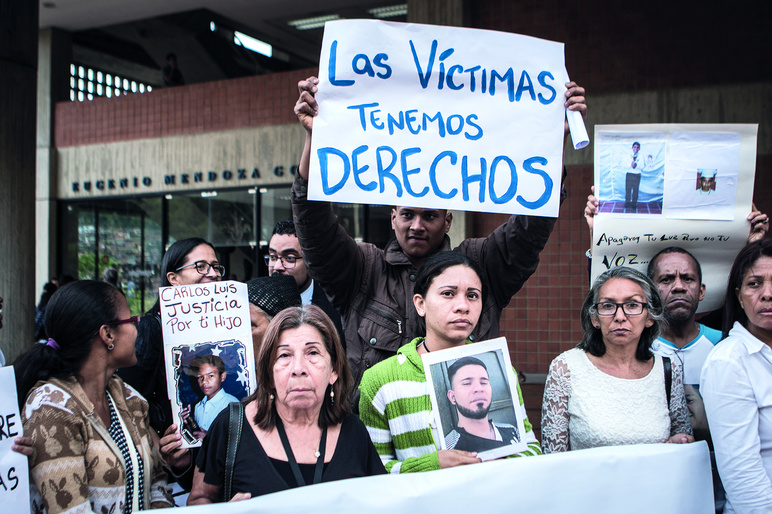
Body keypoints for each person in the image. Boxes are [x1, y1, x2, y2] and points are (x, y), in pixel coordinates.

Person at [292, 76, 587, 396]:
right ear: (393, 218)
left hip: (469, 434)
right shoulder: (364, 269)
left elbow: (530, 228)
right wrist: (315, 138)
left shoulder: (480, 265)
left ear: (447, 221)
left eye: (429, 216)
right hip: (378, 440)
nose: (416, 225)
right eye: (407, 214)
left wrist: (552, 142)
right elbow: (314, 227)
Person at [359, 252, 540, 474]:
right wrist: (431, 466)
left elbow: (531, 449)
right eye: (448, 293)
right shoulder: (380, 380)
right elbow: (372, 471)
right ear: (420, 304)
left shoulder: (504, 369)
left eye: (473, 295)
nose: (463, 306)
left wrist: (498, 464)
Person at [188, 305, 385, 504]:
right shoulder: (231, 427)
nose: (298, 369)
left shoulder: (353, 431)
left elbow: (383, 502)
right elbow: (199, 499)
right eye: (284, 355)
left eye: (313, 353)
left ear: (333, 370)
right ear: (269, 373)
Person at [15, 280, 173, 513]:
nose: (137, 327)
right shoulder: (50, 410)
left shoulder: (130, 400)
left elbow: (157, 480)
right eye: (131, 320)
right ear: (107, 334)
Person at [541, 266, 694, 453]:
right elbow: (553, 458)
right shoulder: (566, 369)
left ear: (650, 317)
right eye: (608, 306)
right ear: (595, 318)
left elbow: (683, 442)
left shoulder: (667, 369)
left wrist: (679, 442)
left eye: (632, 305)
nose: (620, 317)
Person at [118, 237, 225, 436]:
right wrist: (157, 442)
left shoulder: (224, 328)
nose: (213, 274)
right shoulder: (151, 328)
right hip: (170, 449)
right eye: (200, 266)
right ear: (174, 279)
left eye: (216, 267)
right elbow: (128, 398)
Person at [701, 239, 772, 513]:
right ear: (739, 296)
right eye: (755, 284)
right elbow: (742, 475)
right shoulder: (729, 361)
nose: (767, 294)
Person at [267, 220, 345, 347]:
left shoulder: (336, 310)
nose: (277, 267)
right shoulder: (254, 309)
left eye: (289, 258)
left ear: (310, 261)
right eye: (273, 257)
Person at [443, 356, 520, 452]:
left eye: (483, 382)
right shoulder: (449, 449)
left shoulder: (512, 430)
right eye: (467, 383)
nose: (478, 389)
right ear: (452, 397)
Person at [186, 355, 238, 436]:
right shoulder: (198, 407)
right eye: (200, 377)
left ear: (222, 377)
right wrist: (186, 424)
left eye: (210, 376)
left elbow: (237, 440)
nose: (204, 382)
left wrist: (208, 438)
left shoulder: (232, 404)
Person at [623, 141, 645, 212]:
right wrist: (630, 164)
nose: (636, 149)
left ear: (639, 149)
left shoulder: (641, 157)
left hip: (637, 175)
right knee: (628, 189)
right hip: (629, 174)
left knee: (635, 190)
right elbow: (624, 165)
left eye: (637, 147)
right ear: (632, 148)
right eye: (634, 147)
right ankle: (627, 203)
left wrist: (636, 165)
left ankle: (634, 204)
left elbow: (643, 166)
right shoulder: (628, 156)